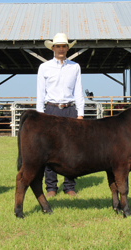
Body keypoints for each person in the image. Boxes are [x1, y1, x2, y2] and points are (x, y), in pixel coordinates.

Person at [36, 33, 85, 197]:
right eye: (58, 46)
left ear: (67, 48)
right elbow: (40, 94)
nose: (61, 49)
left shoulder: (75, 67)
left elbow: (78, 91)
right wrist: (39, 115)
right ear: (53, 48)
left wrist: (81, 114)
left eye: (64, 46)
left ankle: (70, 185)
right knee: (50, 149)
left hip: (70, 109)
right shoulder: (44, 67)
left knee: (72, 149)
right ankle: (51, 187)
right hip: (51, 110)